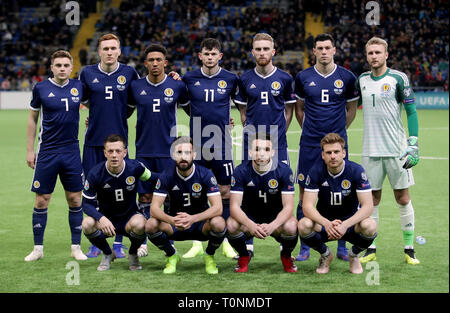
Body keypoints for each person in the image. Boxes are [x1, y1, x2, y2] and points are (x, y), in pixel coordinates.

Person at [293, 33, 360, 261]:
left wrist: (338, 135)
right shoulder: (303, 77)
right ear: (314, 51)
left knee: (342, 192)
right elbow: (299, 109)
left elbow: (351, 110)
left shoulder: (348, 77)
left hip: (337, 143)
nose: (323, 51)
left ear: (334, 50)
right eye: (319, 48)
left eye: (327, 47)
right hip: (310, 143)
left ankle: (341, 244)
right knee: (304, 192)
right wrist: (310, 131)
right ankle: (305, 244)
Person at [357, 37, 420, 265]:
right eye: (370, 53)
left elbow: (411, 112)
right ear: (366, 56)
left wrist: (412, 143)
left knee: (402, 198)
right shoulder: (362, 80)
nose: (374, 56)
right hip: (370, 151)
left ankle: (409, 249)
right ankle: (370, 247)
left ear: (386, 54)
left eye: (377, 52)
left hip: (397, 151)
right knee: (372, 200)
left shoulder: (398, 78)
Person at [234, 32, 296, 255]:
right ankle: (248, 240)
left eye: (265, 49)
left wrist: (277, 136)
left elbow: (288, 111)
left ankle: (282, 238)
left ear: (273, 51)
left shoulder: (285, 79)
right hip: (252, 145)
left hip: (278, 145)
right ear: (253, 52)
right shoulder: (245, 79)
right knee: (249, 190)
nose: (262, 53)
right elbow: (243, 113)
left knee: (281, 189)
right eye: (257, 49)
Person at [79, 33, 139, 258]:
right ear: (99, 51)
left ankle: (119, 243)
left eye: (114, 48)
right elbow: (84, 101)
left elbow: (133, 104)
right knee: (94, 193)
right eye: (105, 49)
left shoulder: (129, 73)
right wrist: (95, 117)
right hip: (93, 142)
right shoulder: (87, 73)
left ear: (119, 51)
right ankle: (97, 240)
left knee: (122, 192)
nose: (110, 52)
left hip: (119, 144)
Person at [25, 50, 87, 261]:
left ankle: (76, 247)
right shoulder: (41, 88)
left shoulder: (79, 87)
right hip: (47, 152)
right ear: (52, 67)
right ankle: (38, 249)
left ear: (71, 68)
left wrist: (91, 120)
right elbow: (33, 118)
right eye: (58, 65)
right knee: (42, 200)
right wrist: (30, 150)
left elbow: (96, 105)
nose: (62, 69)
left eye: (65, 65)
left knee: (75, 198)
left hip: (71, 150)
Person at [129, 43, 189, 257]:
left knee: (172, 197)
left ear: (165, 62)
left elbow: (194, 109)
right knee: (145, 197)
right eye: (151, 60)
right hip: (144, 151)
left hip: (168, 152)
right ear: (145, 63)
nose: (155, 63)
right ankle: (144, 240)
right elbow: (123, 113)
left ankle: (172, 239)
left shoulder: (177, 86)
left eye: (158, 60)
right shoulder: (135, 87)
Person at [181, 38, 239, 259]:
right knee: (196, 191)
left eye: (214, 54)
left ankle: (223, 240)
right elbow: (186, 106)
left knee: (225, 191)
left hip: (222, 144)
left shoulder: (231, 79)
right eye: (206, 54)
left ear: (220, 56)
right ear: (200, 55)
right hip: (197, 143)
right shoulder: (189, 78)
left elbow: (242, 105)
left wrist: (227, 121)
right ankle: (196, 242)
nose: (210, 57)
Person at [297, 133, 377, 274]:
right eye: (328, 152)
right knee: (304, 225)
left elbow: (368, 206)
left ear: (344, 153)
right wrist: (327, 223)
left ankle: (353, 255)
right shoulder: (316, 171)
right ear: (323, 155)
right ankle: (326, 255)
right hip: (325, 225)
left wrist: (345, 225)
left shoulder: (356, 171)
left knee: (370, 226)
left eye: (336, 152)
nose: (333, 156)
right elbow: (307, 206)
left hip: (351, 225)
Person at [145, 136, 226, 274]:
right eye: (179, 153)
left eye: (187, 153)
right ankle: (171, 255)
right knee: (151, 224)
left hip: (200, 225)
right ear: (173, 155)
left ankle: (209, 255)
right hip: (174, 225)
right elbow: (153, 209)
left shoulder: (205, 174)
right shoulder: (166, 176)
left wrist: (193, 218)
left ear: (194, 154)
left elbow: (218, 207)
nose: (183, 157)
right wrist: (172, 220)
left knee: (218, 223)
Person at [82, 134, 156, 271]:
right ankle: (108, 253)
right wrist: (101, 218)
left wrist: (173, 177)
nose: (114, 155)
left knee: (141, 224)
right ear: (105, 153)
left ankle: (133, 253)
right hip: (106, 221)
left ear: (125, 152)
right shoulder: (95, 174)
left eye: (118, 151)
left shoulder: (135, 167)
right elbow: (85, 204)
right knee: (87, 224)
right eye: (110, 151)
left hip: (129, 218)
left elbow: (154, 178)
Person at [227, 133, 298, 273]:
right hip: (249, 219)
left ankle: (286, 256)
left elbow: (289, 207)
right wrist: (251, 225)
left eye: (266, 149)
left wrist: (272, 226)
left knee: (291, 225)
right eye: (257, 149)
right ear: (250, 152)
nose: (261, 154)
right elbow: (234, 207)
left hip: (275, 220)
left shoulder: (283, 171)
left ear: (272, 152)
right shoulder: (240, 171)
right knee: (231, 224)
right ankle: (243, 255)